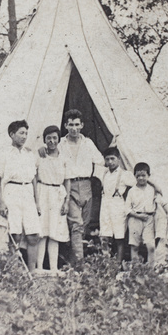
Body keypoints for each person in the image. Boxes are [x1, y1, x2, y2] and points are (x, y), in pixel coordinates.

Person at [57, 109, 104, 265]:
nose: (74, 128)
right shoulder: (60, 144)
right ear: (66, 125)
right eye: (71, 125)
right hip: (69, 185)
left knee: (83, 224)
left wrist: (96, 179)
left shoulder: (87, 143)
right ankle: (79, 265)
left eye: (77, 124)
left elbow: (100, 160)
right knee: (76, 224)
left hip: (86, 185)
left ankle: (72, 259)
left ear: (82, 125)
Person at [0, 120, 40, 273]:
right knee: (15, 235)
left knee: (33, 235)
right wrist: (1, 202)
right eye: (21, 133)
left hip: (27, 192)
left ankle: (32, 271)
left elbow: (34, 178)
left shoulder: (29, 154)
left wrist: (37, 201)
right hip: (12, 192)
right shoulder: (4, 153)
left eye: (26, 133)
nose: (24, 136)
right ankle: (14, 271)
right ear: (12, 134)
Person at [36, 125, 71, 273]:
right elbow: (34, 177)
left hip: (58, 194)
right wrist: (36, 201)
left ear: (59, 139)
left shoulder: (64, 158)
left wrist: (66, 201)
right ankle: (39, 267)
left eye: (54, 138)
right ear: (44, 140)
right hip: (43, 192)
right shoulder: (39, 156)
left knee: (55, 233)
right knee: (42, 232)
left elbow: (67, 180)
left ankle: (54, 268)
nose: (51, 141)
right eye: (48, 138)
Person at [125, 162, 168, 267]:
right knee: (134, 246)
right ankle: (136, 270)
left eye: (144, 175)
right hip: (135, 218)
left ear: (148, 176)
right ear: (135, 176)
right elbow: (127, 209)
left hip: (149, 219)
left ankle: (151, 269)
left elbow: (162, 201)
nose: (141, 178)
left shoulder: (152, 190)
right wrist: (138, 216)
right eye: (138, 176)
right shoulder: (132, 191)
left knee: (150, 246)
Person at [99, 147, 135, 264]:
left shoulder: (125, 174)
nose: (110, 162)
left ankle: (118, 264)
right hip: (105, 205)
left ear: (119, 159)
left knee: (119, 236)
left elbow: (137, 186)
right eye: (107, 159)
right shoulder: (104, 173)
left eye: (113, 159)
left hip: (118, 205)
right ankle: (106, 261)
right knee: (105, 235)